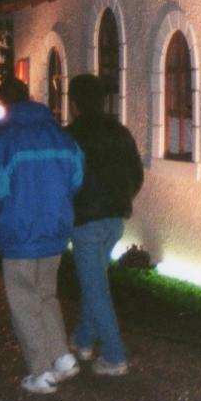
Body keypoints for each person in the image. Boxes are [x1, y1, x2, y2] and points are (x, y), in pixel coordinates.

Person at [0, 76, 84, 395]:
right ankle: (62, 356)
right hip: (54, 230)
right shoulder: (60, 135)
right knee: (46, 293)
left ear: (4, 103)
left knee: (23, 300)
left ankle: (40, 371)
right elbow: (77, 178)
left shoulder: (0, 140)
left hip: (18, 234)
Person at [66, 73, 144, 376]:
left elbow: (65, 177)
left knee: (95, 287)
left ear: (74, 103)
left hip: (85, 219)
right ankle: (84, 340)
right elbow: (136, 173)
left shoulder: (70, 135)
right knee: (95, 282)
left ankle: (114, 355)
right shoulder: (120, 132)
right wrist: (122, 197)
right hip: (115, 217)